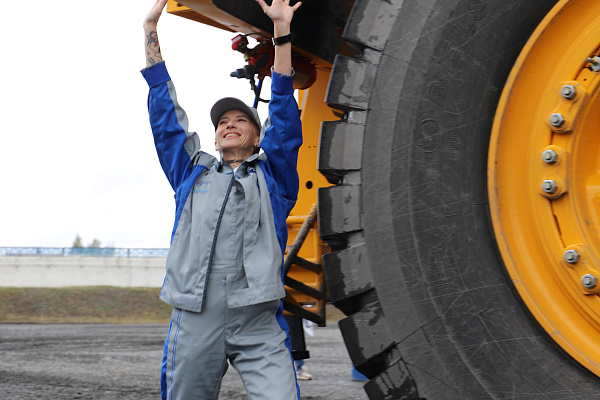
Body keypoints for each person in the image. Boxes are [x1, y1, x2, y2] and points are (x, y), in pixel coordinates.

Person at [141, 0, 303, 399]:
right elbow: (165, 117)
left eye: (241, 120)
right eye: (222, 123)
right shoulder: (191, 173)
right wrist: (150, 29)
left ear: (257, 137)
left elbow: (283, 112)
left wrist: (281, 33)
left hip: (259, 321)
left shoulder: (274, 178)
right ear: (214, 139)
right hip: (196, 320)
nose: (229, 124)